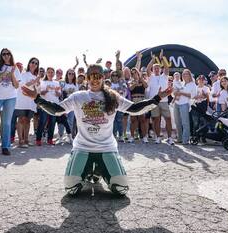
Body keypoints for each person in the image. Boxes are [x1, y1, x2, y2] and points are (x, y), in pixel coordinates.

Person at [21, 64, 171, 196]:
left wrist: (157, 98)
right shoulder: (78, 96)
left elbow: (134, 108)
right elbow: (57, 110)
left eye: (98, 76)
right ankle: (87, 171)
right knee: (71, 188)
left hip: (106, 148)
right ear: (86, 78)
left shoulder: (113, 97)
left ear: (103, 77)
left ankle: (99, 170)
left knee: (121, 189)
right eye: (91, 76)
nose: (94, 79)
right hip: (82, 148)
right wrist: (37, 98)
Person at [146, 51, 174, 145]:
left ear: (160, 69)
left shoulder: (165, 76)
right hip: (154, 102)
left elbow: (166, 67)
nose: (156, 69)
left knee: (168, 119)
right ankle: (158, 137)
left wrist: (162, 58)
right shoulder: (151, 77)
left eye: (158, 68)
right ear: (153, 70)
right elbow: (147, 69)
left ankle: (170, 138)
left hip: (164, 101)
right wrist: (153, 59)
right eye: (155, 68)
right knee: (156, 120)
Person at [14, 58, 39, 148]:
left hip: (31, 102)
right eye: (32, 62)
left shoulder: (36, 77)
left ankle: (26, 140)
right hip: (22, 100)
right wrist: (32, 83)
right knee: (21, 119)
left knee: (28, 121)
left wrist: (36, 84)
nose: (34, 64)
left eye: (36, 63)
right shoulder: (23, 74)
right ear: (29, 64)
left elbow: (37, 90)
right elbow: (21, 87)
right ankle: (20, 140)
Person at [35, 67, 61, 146]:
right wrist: (46, 89)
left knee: (52, 123)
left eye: (52, 72)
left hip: (54, 105)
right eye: (49, 72)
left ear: (54, 73)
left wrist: (56, 91)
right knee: (42, 122)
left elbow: (59, 95)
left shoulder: (57, 83)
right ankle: (38, 139)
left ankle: (50, 139)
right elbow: (40, 93)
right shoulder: (43, 82)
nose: (50, 74)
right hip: (45, 105)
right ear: (46, 73)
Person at [173, 69, 197, 145]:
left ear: (189, 75)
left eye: (187, 74)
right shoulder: (181, 83)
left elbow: (193, 96)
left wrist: (182, 93)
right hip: (176, 103)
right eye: (183, 74)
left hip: (185, 104)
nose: (185, 75)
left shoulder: (193, 84)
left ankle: (185, 140)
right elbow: (174, 93)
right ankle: (179, 138)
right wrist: (175, 93)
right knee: (177, 122)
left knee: (185, 123)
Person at [128, 68, 148, 143]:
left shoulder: (142, 80)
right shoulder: (131, 81)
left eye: (135, 72)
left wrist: (141, 79)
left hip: (141, 100)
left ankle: (144, 137)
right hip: (133, 100)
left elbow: (146, 85)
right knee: (133, 120)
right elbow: (130, 88)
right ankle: (132, 136)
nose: (134, 74)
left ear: (138, 73)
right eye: (132, 73)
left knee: (142, 119)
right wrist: (135, 83)